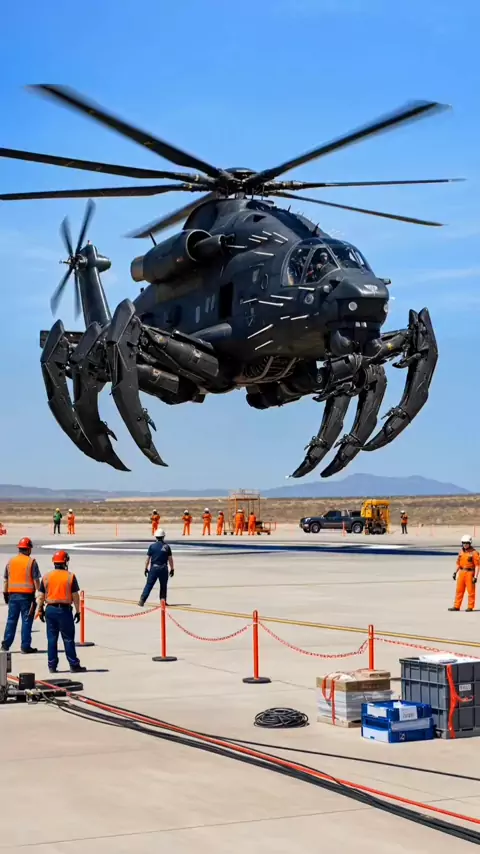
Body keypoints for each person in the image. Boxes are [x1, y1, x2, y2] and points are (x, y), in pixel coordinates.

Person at [36, 550, 86, 673]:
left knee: (52, 639)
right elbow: (75, 596)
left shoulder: (47, 576)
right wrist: (78, 611)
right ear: (65, 562)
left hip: (50, 610)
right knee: (68, 638)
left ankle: (52, 665)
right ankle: (73, 664)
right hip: (64, 611)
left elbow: (41, 596)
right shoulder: (70, 576)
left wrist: (40, 610)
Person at [1, 537, 41, 654]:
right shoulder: (31, 562)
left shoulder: (11, 562)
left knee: (11, 620)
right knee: (26, 621)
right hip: (27, 597)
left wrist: (5, 594)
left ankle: (5, 645)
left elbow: (6, 579)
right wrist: (39, 595)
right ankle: (25, 646)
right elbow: (36, 581)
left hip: (13, 596)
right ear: (28, 549)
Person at [138, 529, 174, 606]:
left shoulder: (152, 546)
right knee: (163, 585)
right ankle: (162, 601)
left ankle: (142, 600)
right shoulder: (167, 547)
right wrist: (172, 569)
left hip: (154, 568)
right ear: (163, 537)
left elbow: (147, 559)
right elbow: (170, 559)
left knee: (149, 585)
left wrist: (145, 568)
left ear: (156, 537)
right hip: (163, 568)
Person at [449, 534, 480, 612]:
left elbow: (477, 565)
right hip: (461, 572)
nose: (465, 544)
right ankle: (456, 606)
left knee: (471, 591)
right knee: (459, 590)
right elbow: (458, 564)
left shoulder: (474, 553)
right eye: (463, 543)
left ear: (470, 543)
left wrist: (475, 577)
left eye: (466, 543)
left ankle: (470, 606)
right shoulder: (461, 552)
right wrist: (455, 572)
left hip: (470, 573)